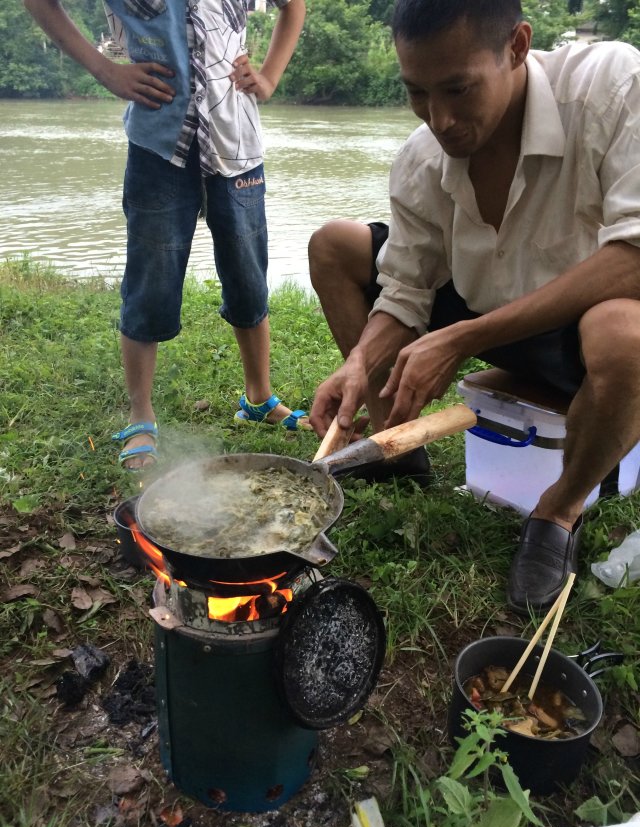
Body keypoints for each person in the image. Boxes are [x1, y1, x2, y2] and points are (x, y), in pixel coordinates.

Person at [308, 0, 640, 614]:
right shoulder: (421, 156)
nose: (441, 119)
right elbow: (405, 289)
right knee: (333, 244)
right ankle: (396, 443)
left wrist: (458, 339)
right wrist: (360, 361)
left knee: (627, 334)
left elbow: (635, 255)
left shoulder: (610, 86)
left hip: (581, 330)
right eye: (417, 93)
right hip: (484, 306)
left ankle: (558, 512)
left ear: (516, 45)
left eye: (459, 89)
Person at [24, 0, 308, 471]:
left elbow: (292, 5)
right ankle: (141, 415)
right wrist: (104, 70)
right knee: (150, 279)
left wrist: (270, 74)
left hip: (235, 140)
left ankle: (258, 398)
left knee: (248, 273)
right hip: (157, 143)